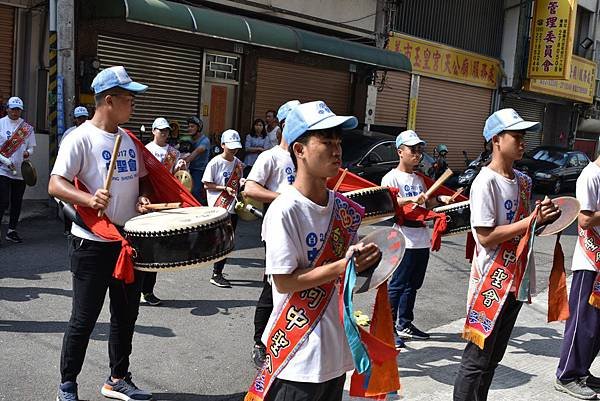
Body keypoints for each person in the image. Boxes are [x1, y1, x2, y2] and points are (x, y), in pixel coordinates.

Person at [246, 100, 381, 401]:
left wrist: (369, 260)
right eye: (326, 142)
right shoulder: (285, 210)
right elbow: (284, 281)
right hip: (298, 357)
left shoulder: (342, 208)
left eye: (338, 142)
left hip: (334, 351)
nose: (336, 151)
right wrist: (344, 266)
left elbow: (351, 276)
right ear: (300, 150)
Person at [48, 66, 153, 401]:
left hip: (127, 242)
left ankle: (117, 378)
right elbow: (55, 183)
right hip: (92, 242)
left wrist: (142, 199)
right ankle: (68, 383)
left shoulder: (129, 140)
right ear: (109, 101)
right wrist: (88, 198)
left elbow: (137, 183)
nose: (134, 105)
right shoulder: (80, 138)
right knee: (84, 318)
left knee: (126, 315)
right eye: (129, 99)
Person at [453, 108, 559, 401]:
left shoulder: (523, 181)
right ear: (496, 140)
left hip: (516, 279)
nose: (523, 141)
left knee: (492, 359)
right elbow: (485, 237)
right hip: (492, 280)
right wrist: (532, 221)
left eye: (524, 136)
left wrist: (548, 218)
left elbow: (526, 228)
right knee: (476, 360)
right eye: (516, 136)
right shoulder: (484, 182)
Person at [246, 99, 299, 369]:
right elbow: (250, 189)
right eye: (294, 122)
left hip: (303, 232)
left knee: (298, 287)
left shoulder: (304, 157)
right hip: (278, 231)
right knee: (273, 285)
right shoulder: (271, 157)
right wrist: (282, 198)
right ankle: (260, 343)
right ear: (282, 125)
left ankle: (289, 339)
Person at [381, 130, 441, 348]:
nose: (417, 154)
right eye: (413, 149)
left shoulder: (419, 179)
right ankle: (387, 328)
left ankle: (404, 323)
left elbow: (426, 204)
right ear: (400, 152)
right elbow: (389, 204)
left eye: (420, 150)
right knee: (397, 285)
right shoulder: (391, 177)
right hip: (403, 236)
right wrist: (411, 199)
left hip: (421, 237)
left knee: (413, 284)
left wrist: (439, 199)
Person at [554, 153, 600, 399]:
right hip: (590, 261)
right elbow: (585, 219)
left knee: (595, 327)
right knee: (582, 322)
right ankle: (567, 375)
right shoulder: (591, 175)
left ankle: (581, 371)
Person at [140, 117, 187, 306]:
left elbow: (178, 177)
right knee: (142, 246)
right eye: (161, 130)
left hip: (165, 204)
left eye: (167, 130)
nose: (164, 133)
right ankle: (136, 287)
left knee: (156, 249)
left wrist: (182, 167)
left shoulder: (173, 153)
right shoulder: (145, 150)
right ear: (153, 131)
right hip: (147, 201)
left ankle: (148, 290)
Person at [202, 129, 244, 288]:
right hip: (219, 206)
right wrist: (223, 188)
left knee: (228, 241)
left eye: (236, 147)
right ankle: (216, 273)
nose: (233, 149)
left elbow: (239, 181)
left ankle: (218, 271)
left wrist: (242, 182)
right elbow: (206, 184)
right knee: (223, 241)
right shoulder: (215, 162)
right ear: (222, 145)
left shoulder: (238, 163)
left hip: (233, 207)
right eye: (230, 146)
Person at [0, 96, 36, 245]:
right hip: (2, 169)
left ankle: (12, 231)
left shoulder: (26, 128)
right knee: (2, 201)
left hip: (20, 171)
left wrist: (29, 152)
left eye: (18, 110)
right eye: (13, 109)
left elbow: (31, 147)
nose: (15, 112)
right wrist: (5, 161)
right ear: (7, 108)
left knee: (16, 202)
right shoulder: (0, 124)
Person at [184, 116, 210, 204]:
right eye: (188, 126)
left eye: (192, 126)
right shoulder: (188, 139)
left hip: (199, 170)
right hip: (189, 169)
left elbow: (196, 153)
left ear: (198, 128)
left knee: (195, 191)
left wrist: (183, 161)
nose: (189, 129)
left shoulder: (204, 141)